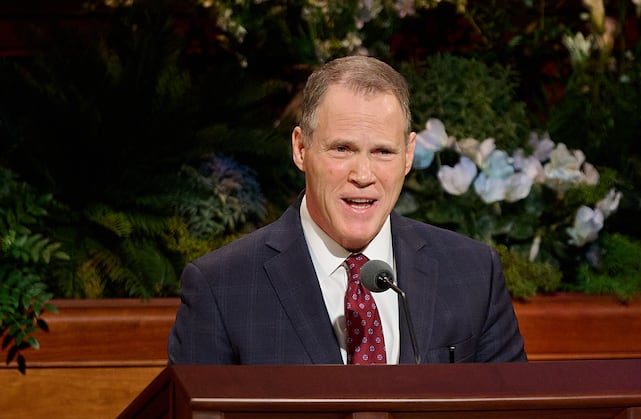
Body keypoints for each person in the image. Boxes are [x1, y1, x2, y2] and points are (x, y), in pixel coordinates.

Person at [167, 55, 527, 365]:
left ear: (408, 155)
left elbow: (513, 418)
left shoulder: (474, 274)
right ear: (301, 149)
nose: (363, 175)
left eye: (383, 152)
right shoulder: (221, 287)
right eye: (342, 149)